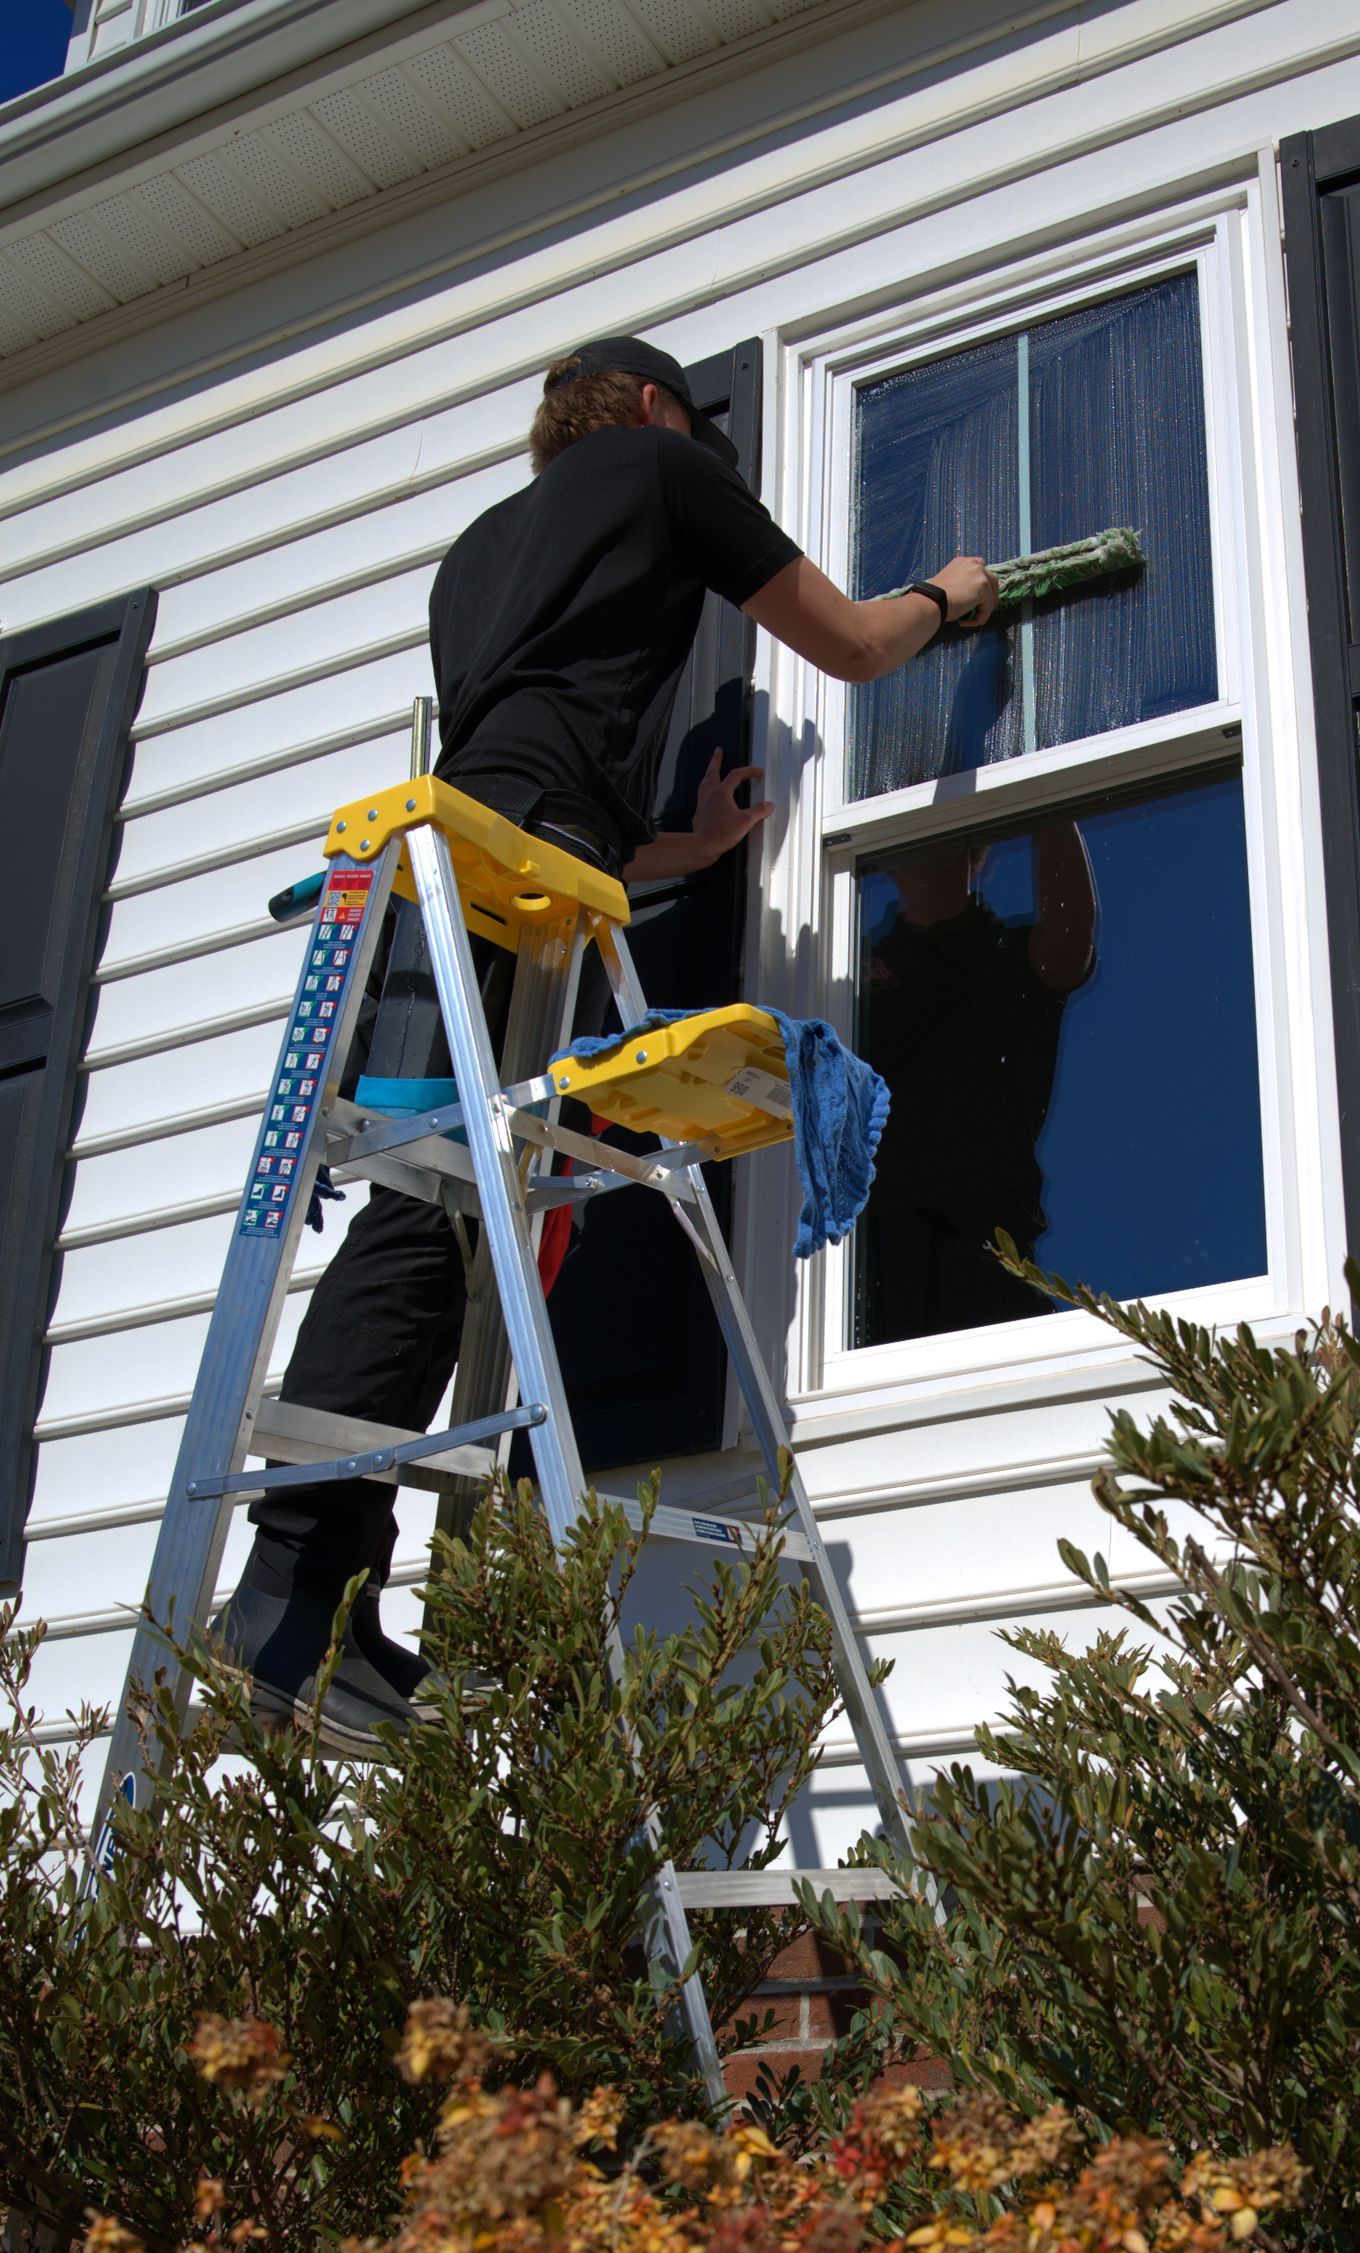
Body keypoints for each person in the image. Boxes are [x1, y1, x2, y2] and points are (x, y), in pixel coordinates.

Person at [218, 334, 997, 1753]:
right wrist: (948, 597)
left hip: (439, 881)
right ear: (651, 412)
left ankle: (303, 1590)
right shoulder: (660, 470)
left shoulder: (475, 553)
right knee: (438, 1227)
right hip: (513, 893)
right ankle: (293, 1611)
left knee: (416, 1206)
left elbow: (529, 744)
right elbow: (852, 642)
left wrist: (678, 844)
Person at [857, 818, 1096, 1343]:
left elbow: (1069, 939)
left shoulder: (1012, 956)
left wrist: (1042, 779)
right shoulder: (852, 980)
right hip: (871, 1257)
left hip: (988, 1240)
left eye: (938, 826)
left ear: (974, 849)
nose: (923, 844)